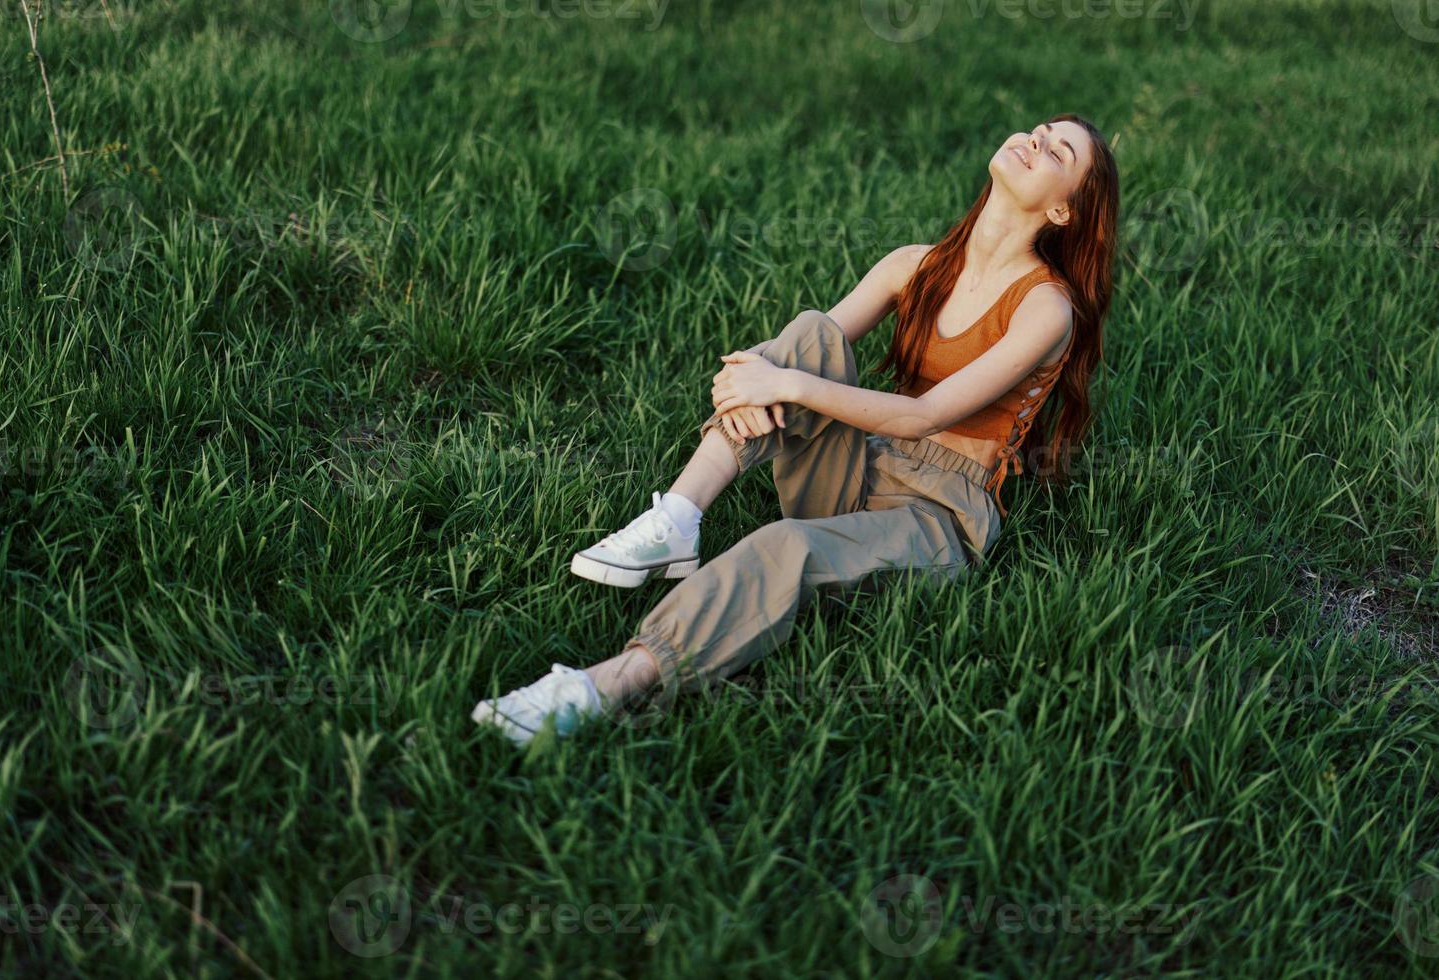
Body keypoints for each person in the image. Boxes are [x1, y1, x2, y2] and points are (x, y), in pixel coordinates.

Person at [472, 114, 1119, 746]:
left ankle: (600, 687)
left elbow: (925, 416)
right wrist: (755, 371)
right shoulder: (914, 265)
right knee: (812, 332)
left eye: (1057, 153)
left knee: (784, 545)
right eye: (1037, 132)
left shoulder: (1045, 307)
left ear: (1062, 212)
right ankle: (675, 516)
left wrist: (779, 383)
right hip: (865, 462)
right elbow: (799, 349)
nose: (1035, 142)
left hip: (936, 517)